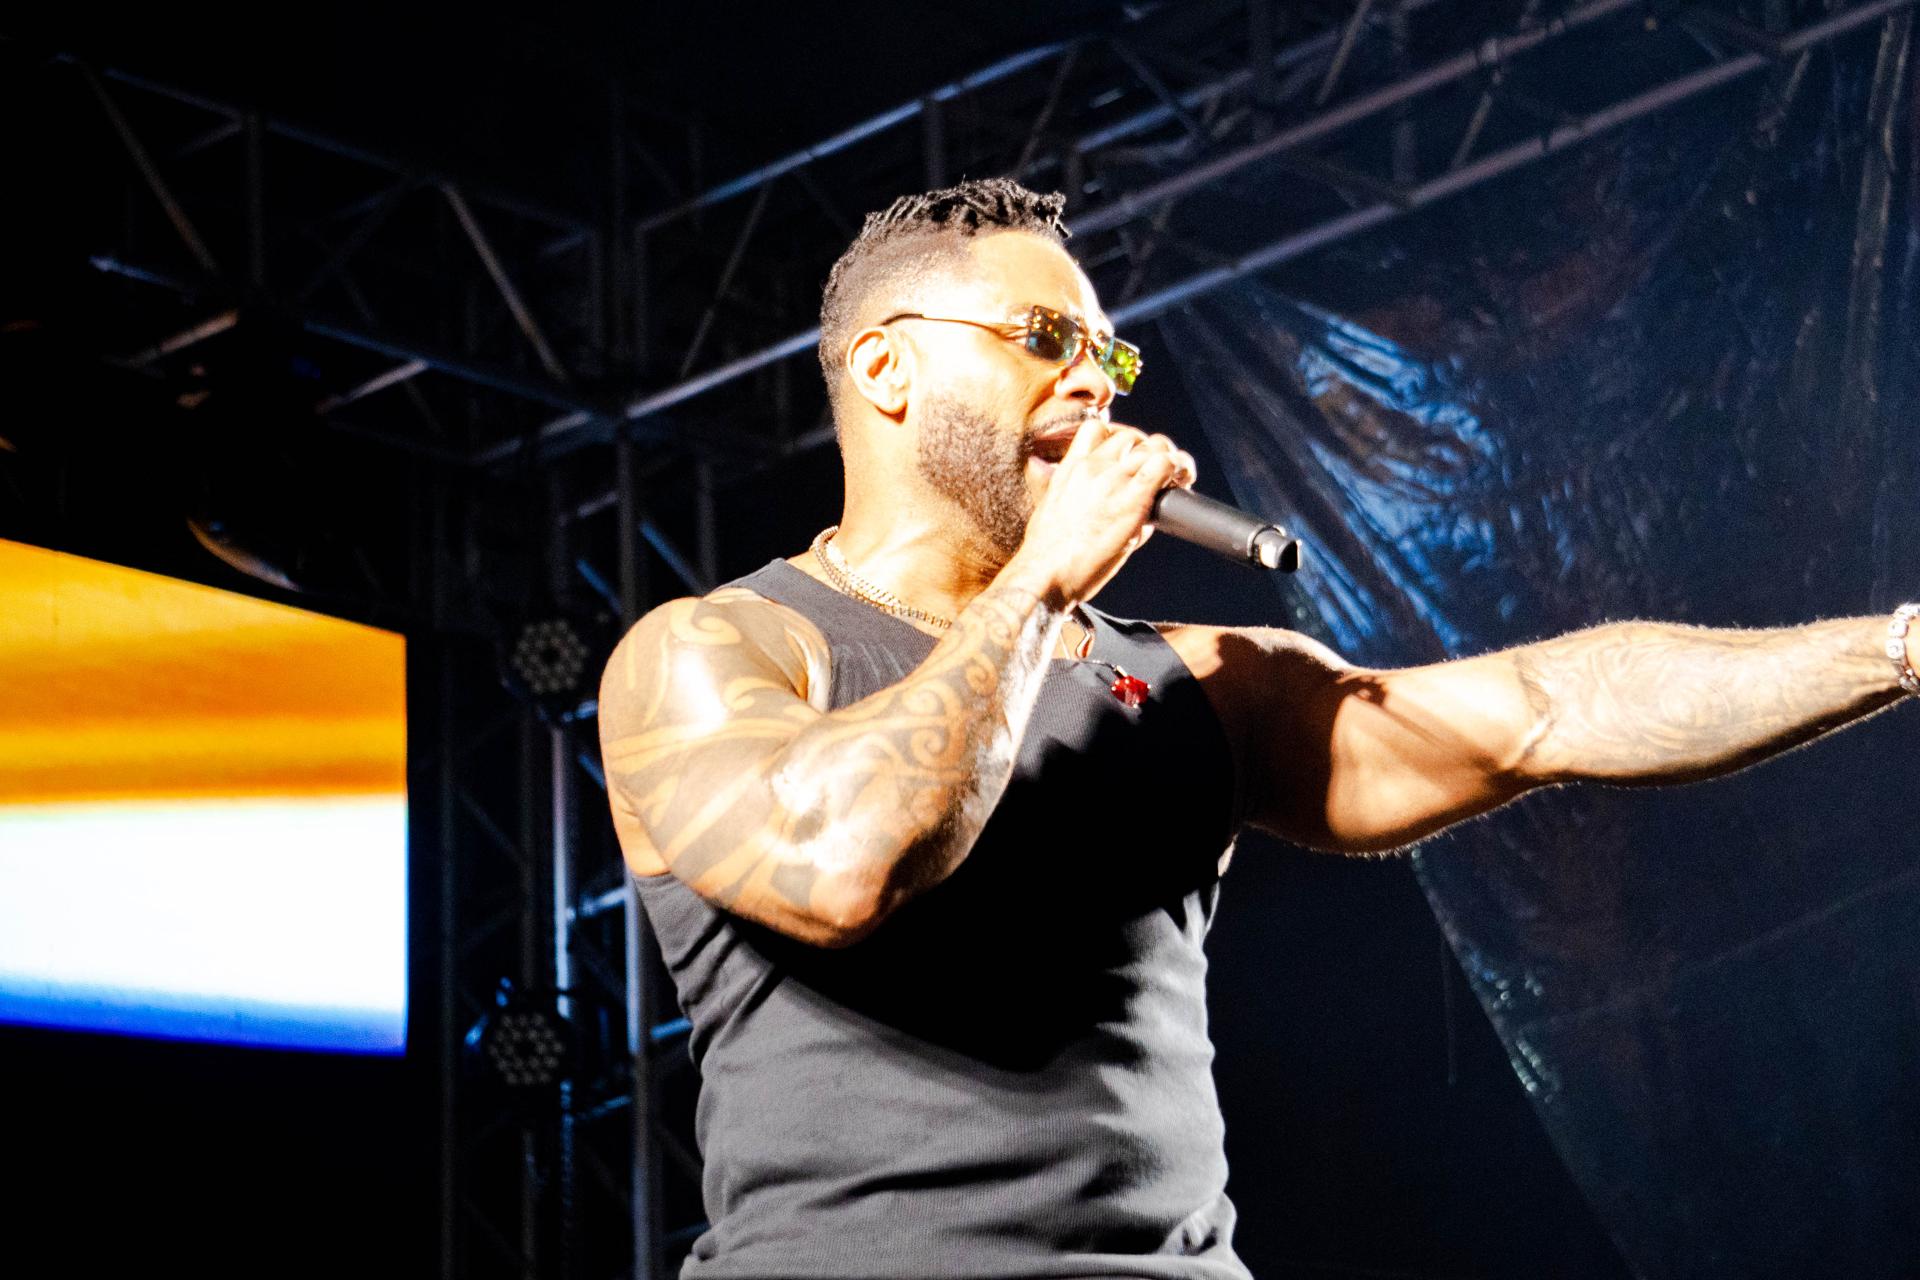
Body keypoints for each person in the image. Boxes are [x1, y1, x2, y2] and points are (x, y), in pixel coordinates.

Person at [596, 177, 1916, 1279]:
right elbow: (842, 866)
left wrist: (1898, 648)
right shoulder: (717, 653)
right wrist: (1039, 586)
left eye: (1110, 355)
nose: (1094, 384)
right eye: (1045, 338)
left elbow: (1546, 710)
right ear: (887, 368)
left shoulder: (1198, 683)